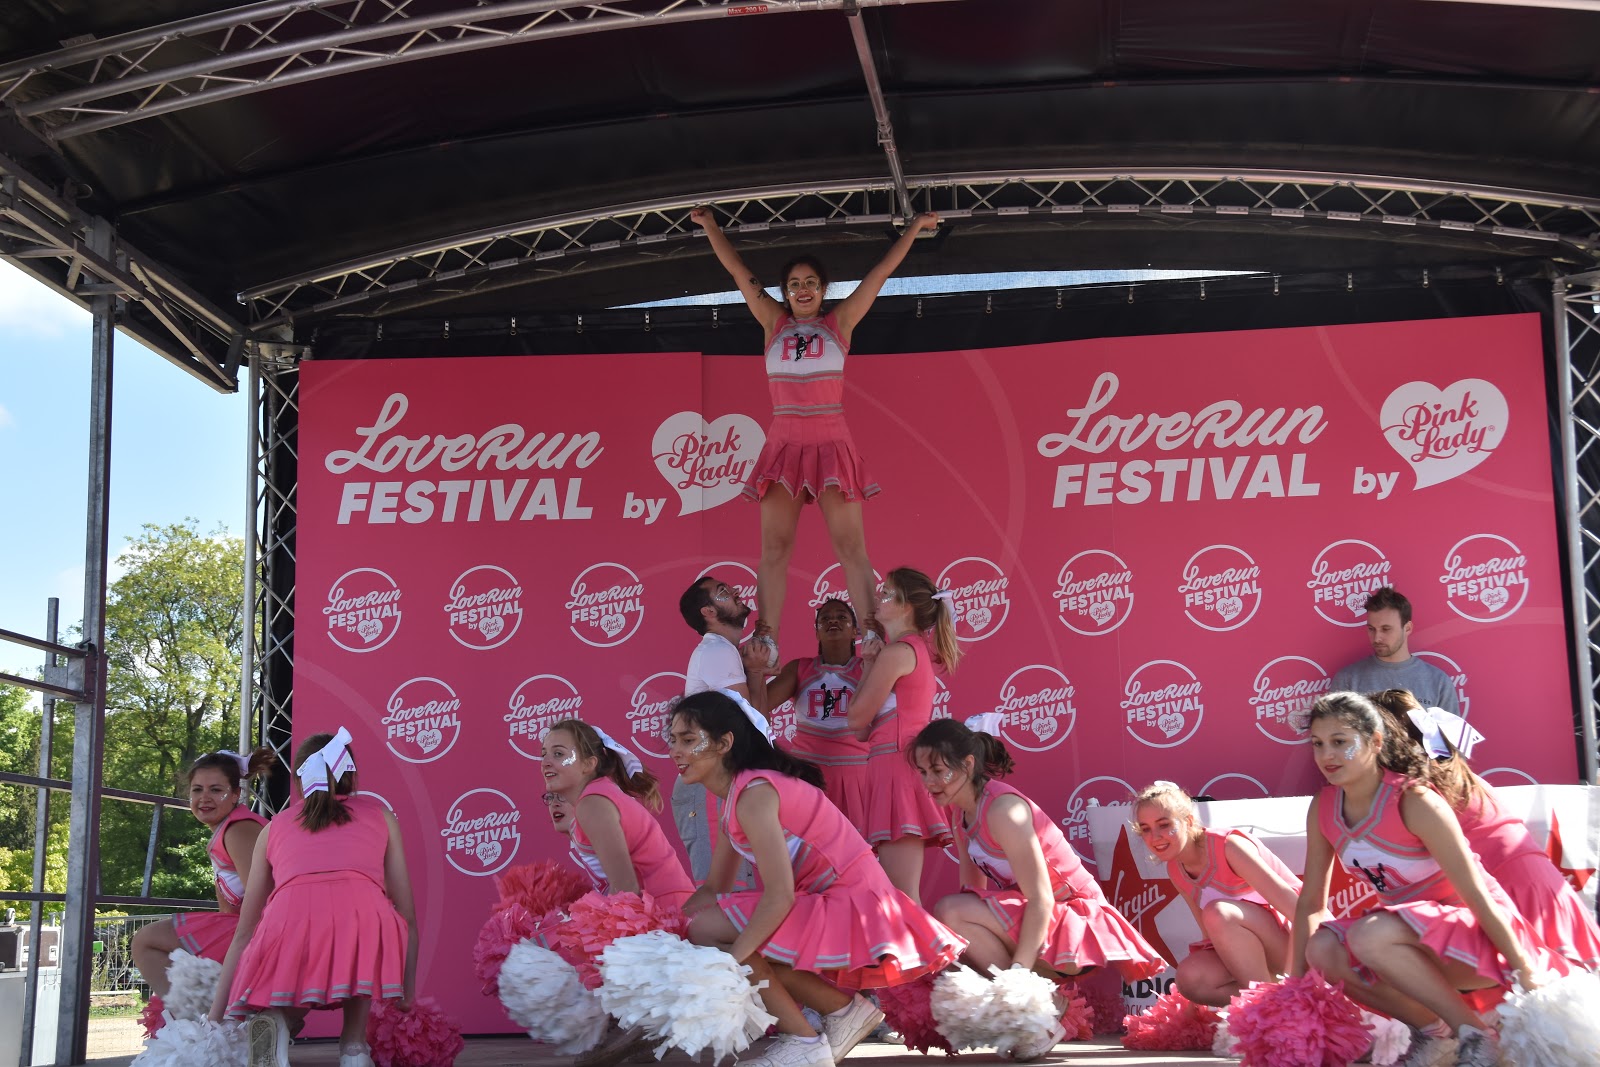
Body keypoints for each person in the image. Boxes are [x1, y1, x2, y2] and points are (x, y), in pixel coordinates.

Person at [688, 205, 941, 670]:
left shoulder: (838, 324)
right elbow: (739, 272)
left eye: (810, 283)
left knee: (851, 548)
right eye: (793, 284)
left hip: (830, 442)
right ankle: (767, 637)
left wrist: (913, 229)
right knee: (775, 549)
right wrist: (710, 227)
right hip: (783, 444)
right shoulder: (773, 323)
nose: (802, 290)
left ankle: (872, 630)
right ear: (785, 292)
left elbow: (880, 274)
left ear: (823, 290)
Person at [672, 690, 965, 1067]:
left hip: (854, 904)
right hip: (831, 901)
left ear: (724, 743)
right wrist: (666, 931)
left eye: (688, 740)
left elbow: (779, 897)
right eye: (672, 740)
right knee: (711, 931)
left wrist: (729, 964)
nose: (675, 752)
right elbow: (714, 888)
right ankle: (843, 1013)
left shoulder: (755, 795)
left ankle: (803, 1039)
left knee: (715, 932)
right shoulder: (737, 796)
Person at [1291, 692, 1567, 1067]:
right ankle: (1437, 1034)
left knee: (1369, 935)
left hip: (1479, 940)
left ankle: (1477, 1036)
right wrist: (1296, 987)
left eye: (1340, 742)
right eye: (1318, 744)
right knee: (1323, 949)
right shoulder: (1322, 807)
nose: (1327, 755)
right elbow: (1311, 902)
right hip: (1402, 941)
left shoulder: (1415, 800)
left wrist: (1524, 969)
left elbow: (1476, 893)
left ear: (1375, 741)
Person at [911, 717, 1167, 1061]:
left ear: (967, 764)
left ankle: (1039, 1007)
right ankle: (1037, 1016)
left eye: (938, 770)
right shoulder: (960, 815)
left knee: (949, 911)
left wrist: (1018, 980)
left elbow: (1042, 898)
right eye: (922, 772)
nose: (929, 782)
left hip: (1076, 926)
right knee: (951, 941)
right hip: (1037, 924)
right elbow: (971, 893)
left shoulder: (1003, 809)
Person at [208, 729, 417, 1067]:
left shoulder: (273, 827)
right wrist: (407, 990)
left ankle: (280, 1019)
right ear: (349, 773)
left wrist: (217, 1016)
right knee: (363, 920)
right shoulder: (381, 816)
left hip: (289, 921)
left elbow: (245, 931)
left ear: (299, 779)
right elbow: (406, 913)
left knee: (295, 939)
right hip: (360, 919)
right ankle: (353, 1047)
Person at [1369, 688, 1600, 971]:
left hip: (1508, 896)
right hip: (1539, 887)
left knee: (1534, 987)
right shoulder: (1449, 769)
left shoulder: (1416, 791)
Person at [1131, 780, 1302, 1007]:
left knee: (1218, 912)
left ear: (1187, 821)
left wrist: (1294, 979)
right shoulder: (1175, 868)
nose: (1155, 837)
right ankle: (1264, 1003)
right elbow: (1210, 938)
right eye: (1145, 829)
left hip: (1298, 949)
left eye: (1164, 825)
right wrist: (1192, 1005)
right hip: (1258, 960)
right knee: (1191, 979)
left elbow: (1300, 912)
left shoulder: (1229, 846)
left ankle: (1272, 1007)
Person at [845, 567, 958, 902]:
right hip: (889, 767)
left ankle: (925, 939)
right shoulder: (900, 651)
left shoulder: (899, 653)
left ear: (906, 606)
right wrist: (868, 663)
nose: (878, 596)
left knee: (901, 897)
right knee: (897, 895)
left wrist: (873, 664)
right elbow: (862, 730)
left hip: (897, 769)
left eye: (886, 592)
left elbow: (855, 718)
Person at [131, 749, 273, 997]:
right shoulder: (229, 829)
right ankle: (197, 1012)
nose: (204, 798)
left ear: (236, 794)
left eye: (216, 790)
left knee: (146, 941)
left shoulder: (239, 830)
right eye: (197, 790)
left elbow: (265, 900)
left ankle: (191, 1015)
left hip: (265, 934)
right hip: (249, 930)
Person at [748, 597, 881, 828]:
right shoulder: (800, 668)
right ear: (816, 632)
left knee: (858, 844)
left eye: (842, 617)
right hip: (807, 774)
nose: (833, 621)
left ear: (855, 631)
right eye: (825, 618)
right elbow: (758, 709)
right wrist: (757, 671)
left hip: (857, 776)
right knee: (809, 842)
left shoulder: (868, 668)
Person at [541, 718, 694, 910]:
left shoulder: (592, 803)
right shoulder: (597, 795)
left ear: (589, 764)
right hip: (657, 909)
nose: (545, 762)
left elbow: (626, 888)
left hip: (664, 912)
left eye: (558, 754)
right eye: (544, 754)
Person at [675, 574, 764, 883]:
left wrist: (756, 671)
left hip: (717, 780)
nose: (736, 591)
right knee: (723, 896)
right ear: (709, 612)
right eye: (723, 592)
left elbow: (753, 719)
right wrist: (757, 670)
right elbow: (752, 722)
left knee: (736, 892)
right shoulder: (717, 650)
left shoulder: (724, 650)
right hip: (707, 783)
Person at [1329, 587, 1459, 714]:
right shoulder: (1348, 680)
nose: (1377, 638)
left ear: (1407, 628)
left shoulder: (1438, 682)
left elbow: (1451, 729)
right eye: (1371, 629)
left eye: (1386, 629)